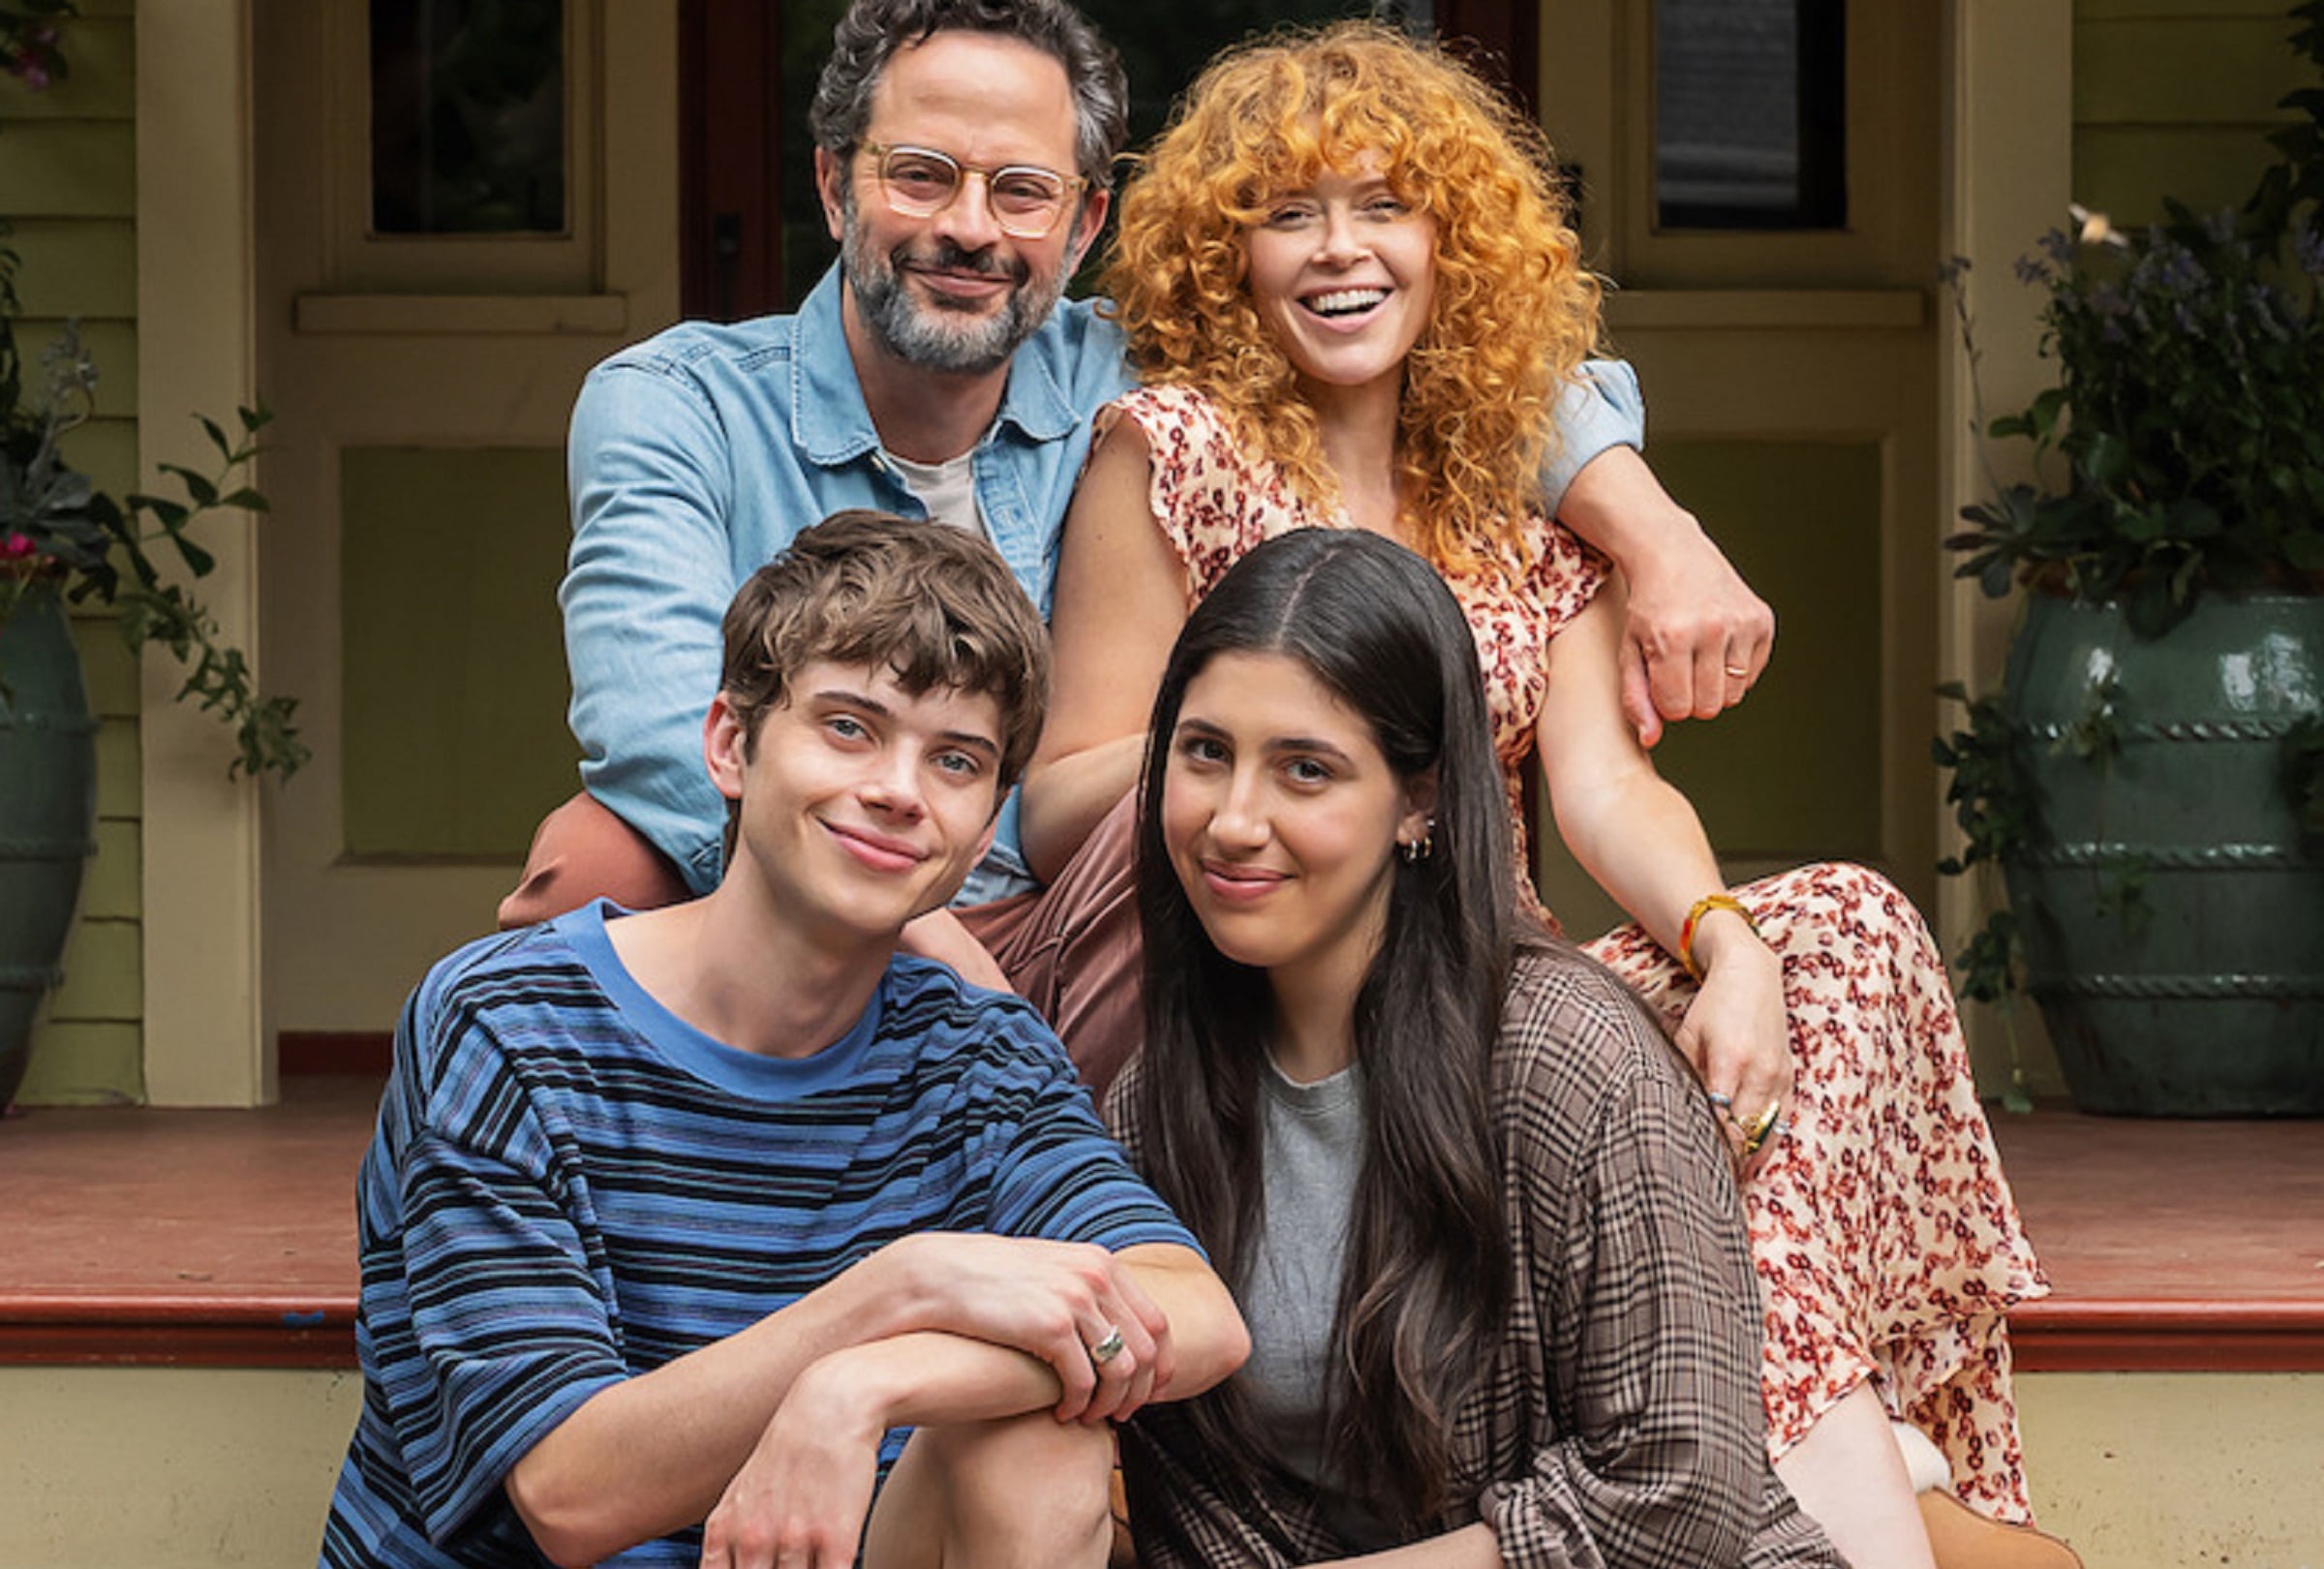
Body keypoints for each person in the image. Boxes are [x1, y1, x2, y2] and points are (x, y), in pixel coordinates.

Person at [1027, 23, 2069, 1569]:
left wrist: (1728, 943)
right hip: (1288, 982)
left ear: (1454, 240)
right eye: (1287, 212)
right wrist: (1285, 740)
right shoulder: (1170, 449)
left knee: (1844, 928)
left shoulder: (1517, 493)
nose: (1338, 251)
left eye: (1384, 205)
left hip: (1492, 986)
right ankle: (1805, 1460)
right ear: (1225, 256)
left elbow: (1599, 788)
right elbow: (1058, 805)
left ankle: (1759, 1392)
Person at [503, 0, 1775, 1091]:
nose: (970, 229)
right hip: (832, 883)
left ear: (1086, 221)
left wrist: (1661, 536)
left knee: (1182, 813)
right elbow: (668, 728)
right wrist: (905, 921)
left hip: (1107, 899)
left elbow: (1473, 363)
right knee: (594, 857)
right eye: (921, 174)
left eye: (1021, 190)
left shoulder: (1140, 370)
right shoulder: (679, 405)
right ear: (837, 184)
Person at [321, 512, 1248, 1569]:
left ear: (985, 824)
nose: (898, 791)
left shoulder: (977, 1060)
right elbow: (567, 1492)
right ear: (731, 744)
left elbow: (1196, 1317)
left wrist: (864, 1383)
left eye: (954, 759)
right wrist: (899, 1290)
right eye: (850, 727)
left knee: (1035, 1441)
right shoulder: (509, 1026)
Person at [1107, 527, 1844, 1568]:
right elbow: (1204, 1510)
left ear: (1420, 800)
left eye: (1304, 771)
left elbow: (1680, 1496)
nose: (1234, 820)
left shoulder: (1570, 1062)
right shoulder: (1153, 1108)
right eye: (1205, 752)